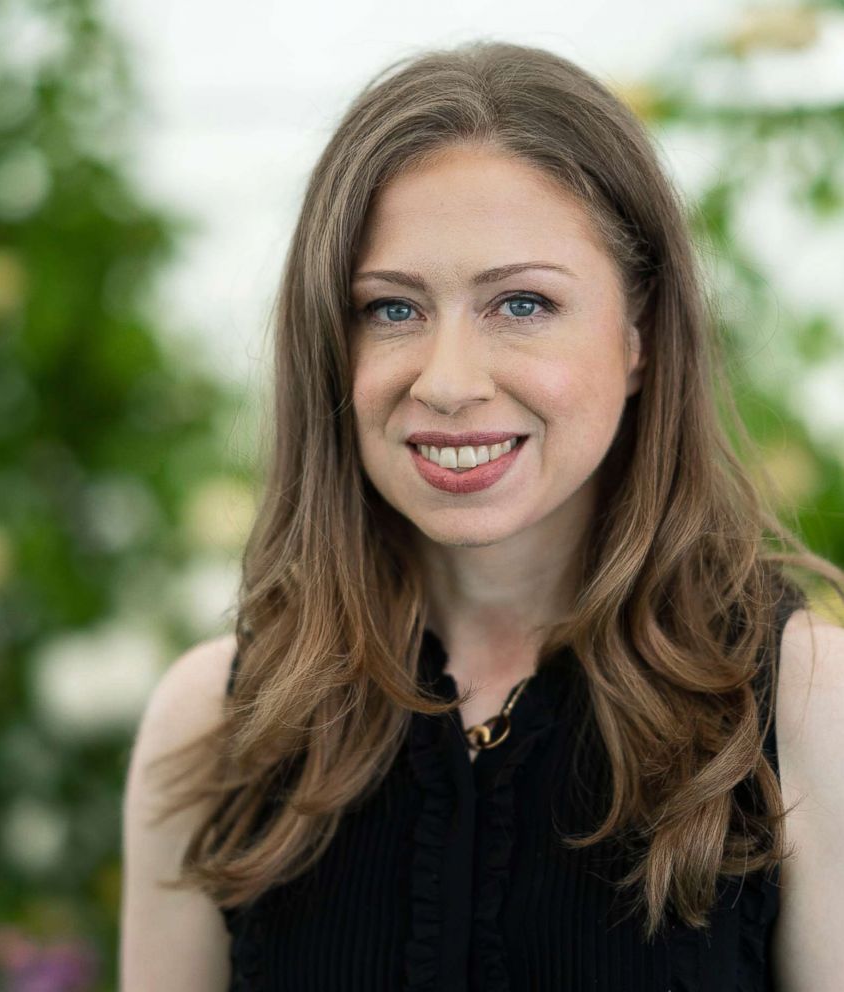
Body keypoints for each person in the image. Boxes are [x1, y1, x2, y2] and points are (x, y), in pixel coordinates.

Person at [119, 41, 844, 991]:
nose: (449, 382)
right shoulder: (213, 726)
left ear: (639, 337)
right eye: (390, 311)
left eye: (521, 303)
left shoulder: (805, 708)